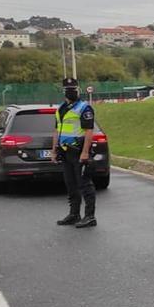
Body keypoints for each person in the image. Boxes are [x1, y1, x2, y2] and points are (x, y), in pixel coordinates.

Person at [54, 78, 98, 228]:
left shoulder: (84, 108)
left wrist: (85, 152)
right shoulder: (61, 109)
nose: (70, 92)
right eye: (68, 89)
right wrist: (54, 150)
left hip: (79, 151)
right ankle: (74, 214)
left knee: (84, 184)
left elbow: (89, 131)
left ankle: (90, 216)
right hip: (65, 152)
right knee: (70, 184)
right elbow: (56, 130)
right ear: (63, 92)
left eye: (73, 89)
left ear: (78, 90)